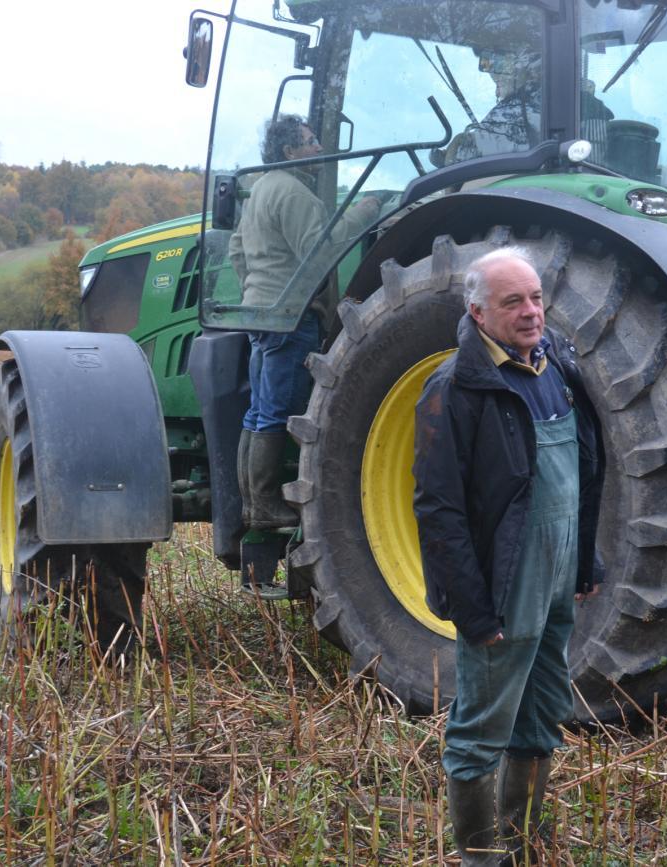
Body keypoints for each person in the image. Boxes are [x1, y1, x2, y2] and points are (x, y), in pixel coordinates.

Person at [412, 248, 605, 863]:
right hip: (505, 585)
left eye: (536, 298)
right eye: (512, 302)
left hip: (556, 577)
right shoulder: (456, 388)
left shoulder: (555, 369)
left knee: (543, 711)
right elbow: (438, 510)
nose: (530, 313)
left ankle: (523, 847)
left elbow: (582, 476)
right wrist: (474, 609)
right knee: (481, 728)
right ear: (478, 312)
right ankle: (479, 857)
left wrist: (582, 566)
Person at [228, 115, 380, 534]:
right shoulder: (293, 192)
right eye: (310, 142)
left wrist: (256, 291)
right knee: (279, 411)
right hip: (291, 316)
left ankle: (251, 503)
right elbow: (321, 248)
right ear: (288, 151)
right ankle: (263, 505)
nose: (318, 148)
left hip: (261, 313)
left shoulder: (259, 189)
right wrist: (365, 213)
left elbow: (237, 252)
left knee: (258, 409)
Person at [436, 48, 542, 166]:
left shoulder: (526, 104)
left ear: (521, 65)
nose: (494, 74)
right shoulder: (529, 100)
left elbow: (485, 147)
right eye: (489, 64)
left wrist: (459, 146)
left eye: (499, 63)